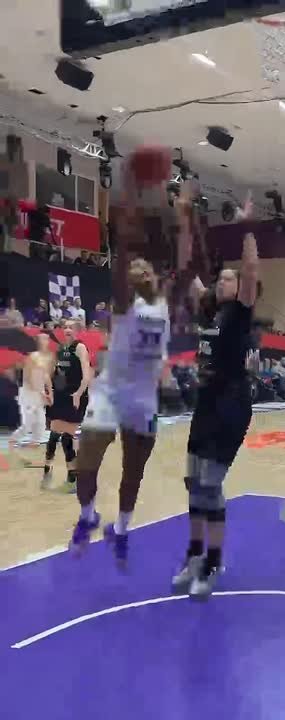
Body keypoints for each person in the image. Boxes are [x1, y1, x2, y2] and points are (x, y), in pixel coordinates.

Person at [69, 156, 170, 568]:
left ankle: (121, 529)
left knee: (133, 472)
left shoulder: (158, 310)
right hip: (112, 394)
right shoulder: (130, 307)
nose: (137, 273)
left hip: (140, 399)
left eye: (143, 271)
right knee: (86, 463)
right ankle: (89, 515)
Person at [172, 195, 258, 598]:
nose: (223, 281)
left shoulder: (240, 312)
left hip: (232, 405)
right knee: (193, 481)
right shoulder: (209, 311)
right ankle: (193, 555)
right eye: (220, 278)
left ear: (240, 288)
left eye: (229, 278)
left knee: (209, 484)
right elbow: (187, 269)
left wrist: (246, 227)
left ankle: (213, 561)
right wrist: (183, 220)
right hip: (206, 403)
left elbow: (251, 269)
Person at [43, 320, 90, 492]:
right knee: (54, 436)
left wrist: (78, 394)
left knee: (67, 439)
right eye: (65, 327)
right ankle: (47, 474)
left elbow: (87, 375)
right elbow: (50, 373)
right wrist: (48, 391)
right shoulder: (61, 349)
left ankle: (73, 480)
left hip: (75, 397)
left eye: (71, 327)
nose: (68, 330)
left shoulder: (80, 348)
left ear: (77, 331)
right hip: (60, 397)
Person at [13, 334, 53, 446]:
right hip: (29, 392)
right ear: (37, 341)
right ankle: (12, 441)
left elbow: (46, 376)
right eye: (43, 339)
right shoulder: (32, 357)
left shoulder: (49, 357)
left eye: (47, 338)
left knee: (41, 423)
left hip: (39, 391)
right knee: (28, 424)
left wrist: (50, 393)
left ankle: (34, 446)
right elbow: (31, 377)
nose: (46, 341)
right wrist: (43, 393)